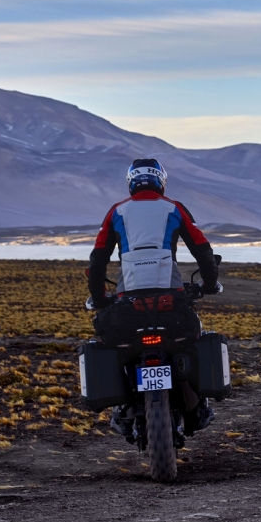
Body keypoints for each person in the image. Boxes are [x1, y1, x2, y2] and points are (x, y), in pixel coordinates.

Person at [87, 158, 223, 439]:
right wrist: (210, 283)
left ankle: (123, 408)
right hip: (170, 299)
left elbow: (98, 259)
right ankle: (198, 406)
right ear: (160, 180)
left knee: (119, 347)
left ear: (131, 182)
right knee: (191, 340)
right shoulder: (174, 208)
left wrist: (98, 297)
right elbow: (202, 249)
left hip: (128, 302)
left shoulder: (116, 211)